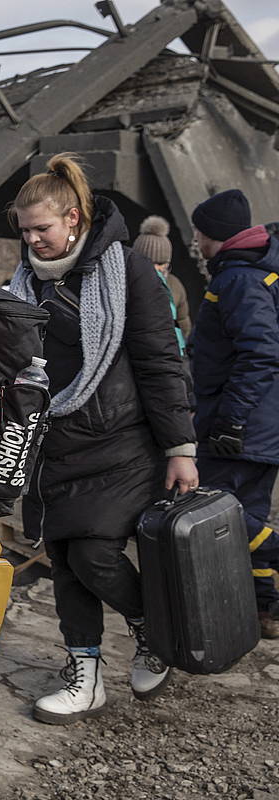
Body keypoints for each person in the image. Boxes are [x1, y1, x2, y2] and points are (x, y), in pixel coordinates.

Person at [5, 154, 197, 724]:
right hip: (53, 440)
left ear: (72, 217)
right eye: (24, 231)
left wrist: (181, 448)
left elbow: (162, 360)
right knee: (64, 559)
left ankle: (150, 631)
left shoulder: (128, 270)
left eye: (42, 228)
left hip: (121, 440)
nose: (32, 240)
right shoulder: (23, 283)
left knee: (93, 552)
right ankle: (84, 675)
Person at [187, 190, 279, 639]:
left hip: (243, 426)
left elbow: (260, 352)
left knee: (220, 513)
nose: (196, 241)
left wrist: (231, 419)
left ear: (216, 236)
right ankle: (265, 611)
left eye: (199, 232)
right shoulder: (255, 273)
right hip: (262, 425)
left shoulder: (238, 279)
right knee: (249, 514)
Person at [132, 215, 191, 348]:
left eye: (160, 263)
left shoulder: (174, 285)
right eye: (149, 262)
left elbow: (183, 323)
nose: (155, 269)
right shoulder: (123, 286)